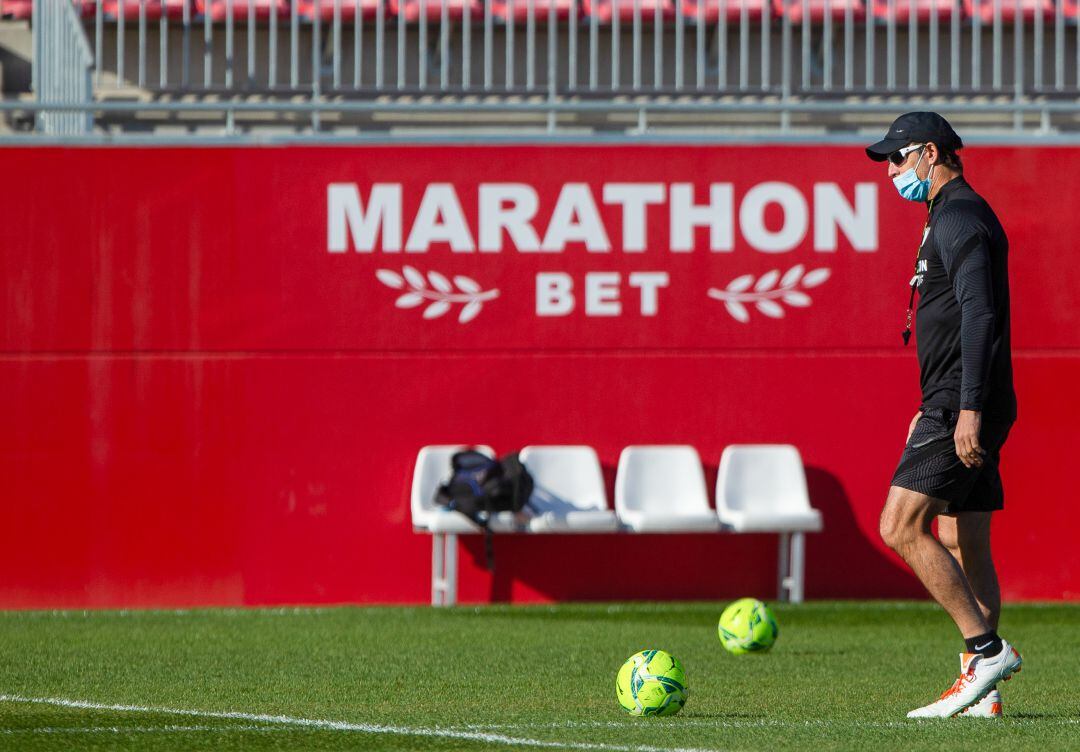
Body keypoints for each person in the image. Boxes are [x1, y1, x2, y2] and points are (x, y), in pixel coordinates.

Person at [865, 112, 1022, 719]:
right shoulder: (948, 215)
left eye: (899, 160)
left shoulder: (959, 215)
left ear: (931, 154)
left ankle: (985, 653)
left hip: (963, 402)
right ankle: (985, 692)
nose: (892, 173)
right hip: (956, 399)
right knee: (963, 536)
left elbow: (980, 316)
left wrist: (965, 410)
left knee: (899, 527)